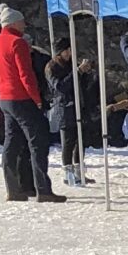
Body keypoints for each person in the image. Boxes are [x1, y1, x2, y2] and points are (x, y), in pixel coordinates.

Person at [0, 6, 62, 203]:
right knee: (38, 141)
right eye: (21, 22)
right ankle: (43, 189)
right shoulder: (17, 43)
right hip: (21, 98)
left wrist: (1, 92)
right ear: (12, 22)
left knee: (11, 143)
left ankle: (15, 188)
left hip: (5, 98)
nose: (24, 25)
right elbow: (25, 74)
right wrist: (36, 98)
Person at [44, 41, 87, 185]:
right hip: (64, 107)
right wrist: (77, 72)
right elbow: (60, 87)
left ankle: (79, 171)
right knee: (68, 141)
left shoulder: (70, 64)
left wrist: (84, 72)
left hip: (77, 105)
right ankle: (68, 173)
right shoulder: (52, 67)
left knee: (80, 140)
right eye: (65, 51)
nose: (68, 53)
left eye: (69, 50)